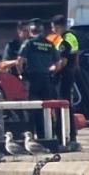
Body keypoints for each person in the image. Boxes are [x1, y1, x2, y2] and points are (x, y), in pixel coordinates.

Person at [13, 20, 63, 154]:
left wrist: (21, 74)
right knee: (45, 108)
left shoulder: (28, 43)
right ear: (42, 31)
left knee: (30, 109)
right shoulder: (49, 44)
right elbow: (58, 63)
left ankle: (30, 137)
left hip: (32, 79)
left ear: (30, 31)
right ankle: (45, 136)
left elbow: (19, 61)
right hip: (46, 79)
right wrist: (51, 71)